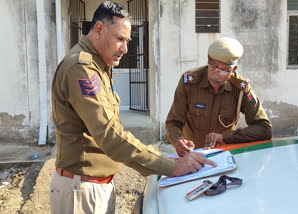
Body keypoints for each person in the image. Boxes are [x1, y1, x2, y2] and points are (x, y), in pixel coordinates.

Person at [49, 1, 216, 214]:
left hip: (96, 186)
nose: (126, 49)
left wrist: (168, 161)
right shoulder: (82, 68)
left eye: (128, 41)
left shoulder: (98, 65)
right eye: (120, 39)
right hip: (82, 191)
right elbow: (111, 136)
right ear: (99, 29)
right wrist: (171, 167)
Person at [166, 37, 272, 157]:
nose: (216, 75)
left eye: (224, 71)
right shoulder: (189, 82)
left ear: (233, 70)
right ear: (208, 60)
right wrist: (178, 141)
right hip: (193, 156)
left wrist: (224, 137)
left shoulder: (241, 88)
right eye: (213, 67)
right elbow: (173, 122)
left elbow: (264, 129)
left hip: (225, 156)